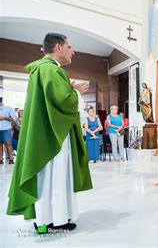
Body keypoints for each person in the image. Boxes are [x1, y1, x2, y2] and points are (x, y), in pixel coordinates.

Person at [7, 33, 92, 233]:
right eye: (69, 47)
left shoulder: (44, 69)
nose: (73, 51)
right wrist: (77, 91)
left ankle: (50, 219)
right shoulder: (50, 69)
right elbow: (63, 101)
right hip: (54, 135)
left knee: (49, 177)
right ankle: (50, 220)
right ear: (58, 48)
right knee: (55, 175)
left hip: (47, 132)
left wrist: (70, 86)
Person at [0, 97, 17, 164]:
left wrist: (4, 118)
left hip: (6, 129)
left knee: (8, 144)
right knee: (0, 145)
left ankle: (11, 159)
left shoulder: (8, 108)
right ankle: (0, 159)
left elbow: (14, 118)